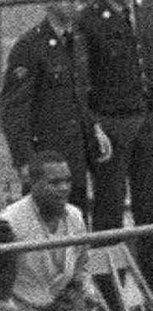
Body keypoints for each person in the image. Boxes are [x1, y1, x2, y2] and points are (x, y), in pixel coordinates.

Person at [0, 151, 133, 311]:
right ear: (33, 184)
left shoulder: (75, 216)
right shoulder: (10, 222)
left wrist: (85, 295)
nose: (63, 188)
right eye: (54, 182)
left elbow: (81, 267)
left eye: (67, 181)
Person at [78, 0, 153, 311]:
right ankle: (112, 309)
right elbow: (82, 80)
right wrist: (95, 125)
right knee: (109, 216)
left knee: (152, 215)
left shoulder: (149, 9)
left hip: (150, 119)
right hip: (112, 122)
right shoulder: (89, 19)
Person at [0, 1, 112, 215]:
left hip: (76, 158)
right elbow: (13, 110)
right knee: (44, 225)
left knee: (76, 222)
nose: (76, 4)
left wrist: (94, 127)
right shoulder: (30, 46)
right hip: (46, 160)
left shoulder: (76, 41)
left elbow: (79, 95)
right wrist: (24, 161)